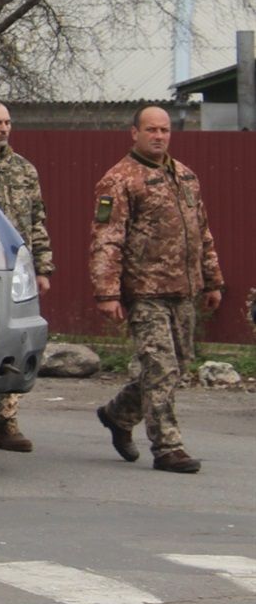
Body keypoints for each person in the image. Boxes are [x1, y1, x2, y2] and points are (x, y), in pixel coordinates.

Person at [91, 105, 225, 475]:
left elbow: (202, 232)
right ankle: (168, 447)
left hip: (183, 290)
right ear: (134, 133)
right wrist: (107, 292)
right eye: (151, 129)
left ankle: (118, 415)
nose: (158, 136)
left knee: (177, 367)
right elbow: (107, 240)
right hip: (144, 290)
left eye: (164, 130)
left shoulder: (185, 176)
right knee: (161, 368)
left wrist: (213, 281)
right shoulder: (119, 180)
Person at [0, 101, 53, 452]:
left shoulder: (24, 171)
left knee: (13, 340)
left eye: (7, 122)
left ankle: (6, 420)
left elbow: (37, 222)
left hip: (14, 270)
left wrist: (43, 268)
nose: (3, 129)